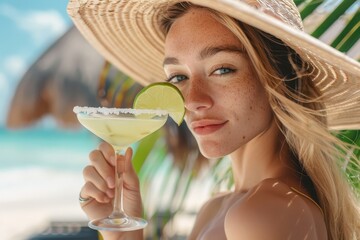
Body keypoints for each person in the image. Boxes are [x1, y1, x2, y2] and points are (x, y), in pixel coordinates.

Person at [67, 0, 360, 239]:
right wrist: (123, 235)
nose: (193, 100)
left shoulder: (264, 214)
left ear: (281, 78)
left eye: (222, 69)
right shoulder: (220, 208)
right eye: (179, 77)